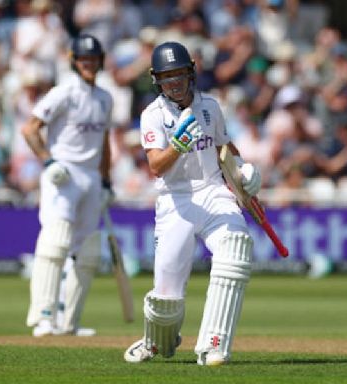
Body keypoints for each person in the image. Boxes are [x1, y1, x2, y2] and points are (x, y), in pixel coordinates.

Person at [123, 41, 261, 366]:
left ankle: (214, 345)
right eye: (167, 76)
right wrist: (179, 145)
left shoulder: (210, 107)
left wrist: (244, 179)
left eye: (180, 74)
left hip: (213, 190)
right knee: (166, 302)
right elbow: (156, 166)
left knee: (236, 246)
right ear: (157, 79)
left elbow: (226, 150)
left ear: (191, 72)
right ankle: (155, 341)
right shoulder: (151, 115)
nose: (174, 82)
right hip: (176, 199)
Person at [23, 34, 113, 337]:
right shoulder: (63, 92)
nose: (89, 63)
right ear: (74, 61)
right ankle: (44, 318)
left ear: (100, 61)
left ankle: (69, 323)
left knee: (87, 252)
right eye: (83, 59)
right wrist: (48, 161)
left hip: (90, 176)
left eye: (93, 59)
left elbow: (105, 143)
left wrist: (105, 181)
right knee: (55, 242)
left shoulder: (105, 97)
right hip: (63, 174)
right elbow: (30, 129)